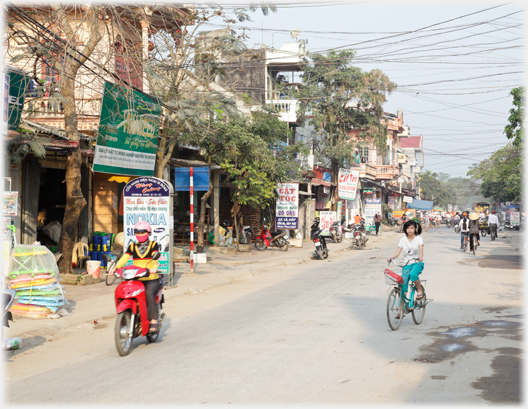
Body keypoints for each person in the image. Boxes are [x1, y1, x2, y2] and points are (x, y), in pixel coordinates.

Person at [109, 221, 161, 332]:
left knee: (149, 293)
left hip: (151, 279)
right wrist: (115, 268)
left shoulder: (153, 245)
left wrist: (154, 269)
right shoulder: (132, 245)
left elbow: (155, 258)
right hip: (136, 279)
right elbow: (124, 258)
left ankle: (153, 321)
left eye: (142, 232)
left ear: (148, 233)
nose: (140, 234)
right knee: (124, 291)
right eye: (137, 232)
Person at [387, 219, 425, 316]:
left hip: (417, 263)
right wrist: (391, 258)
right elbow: (398, 252)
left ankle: (419, 289)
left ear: (415, 229)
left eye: (411, 228)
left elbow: (421, 249)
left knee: (413, 274)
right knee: (402, 286)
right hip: (406, 264)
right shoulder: (403, 239)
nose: (410, 230)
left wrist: (420, 256)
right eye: (408, 228)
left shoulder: (419, 239)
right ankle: (401, 310)